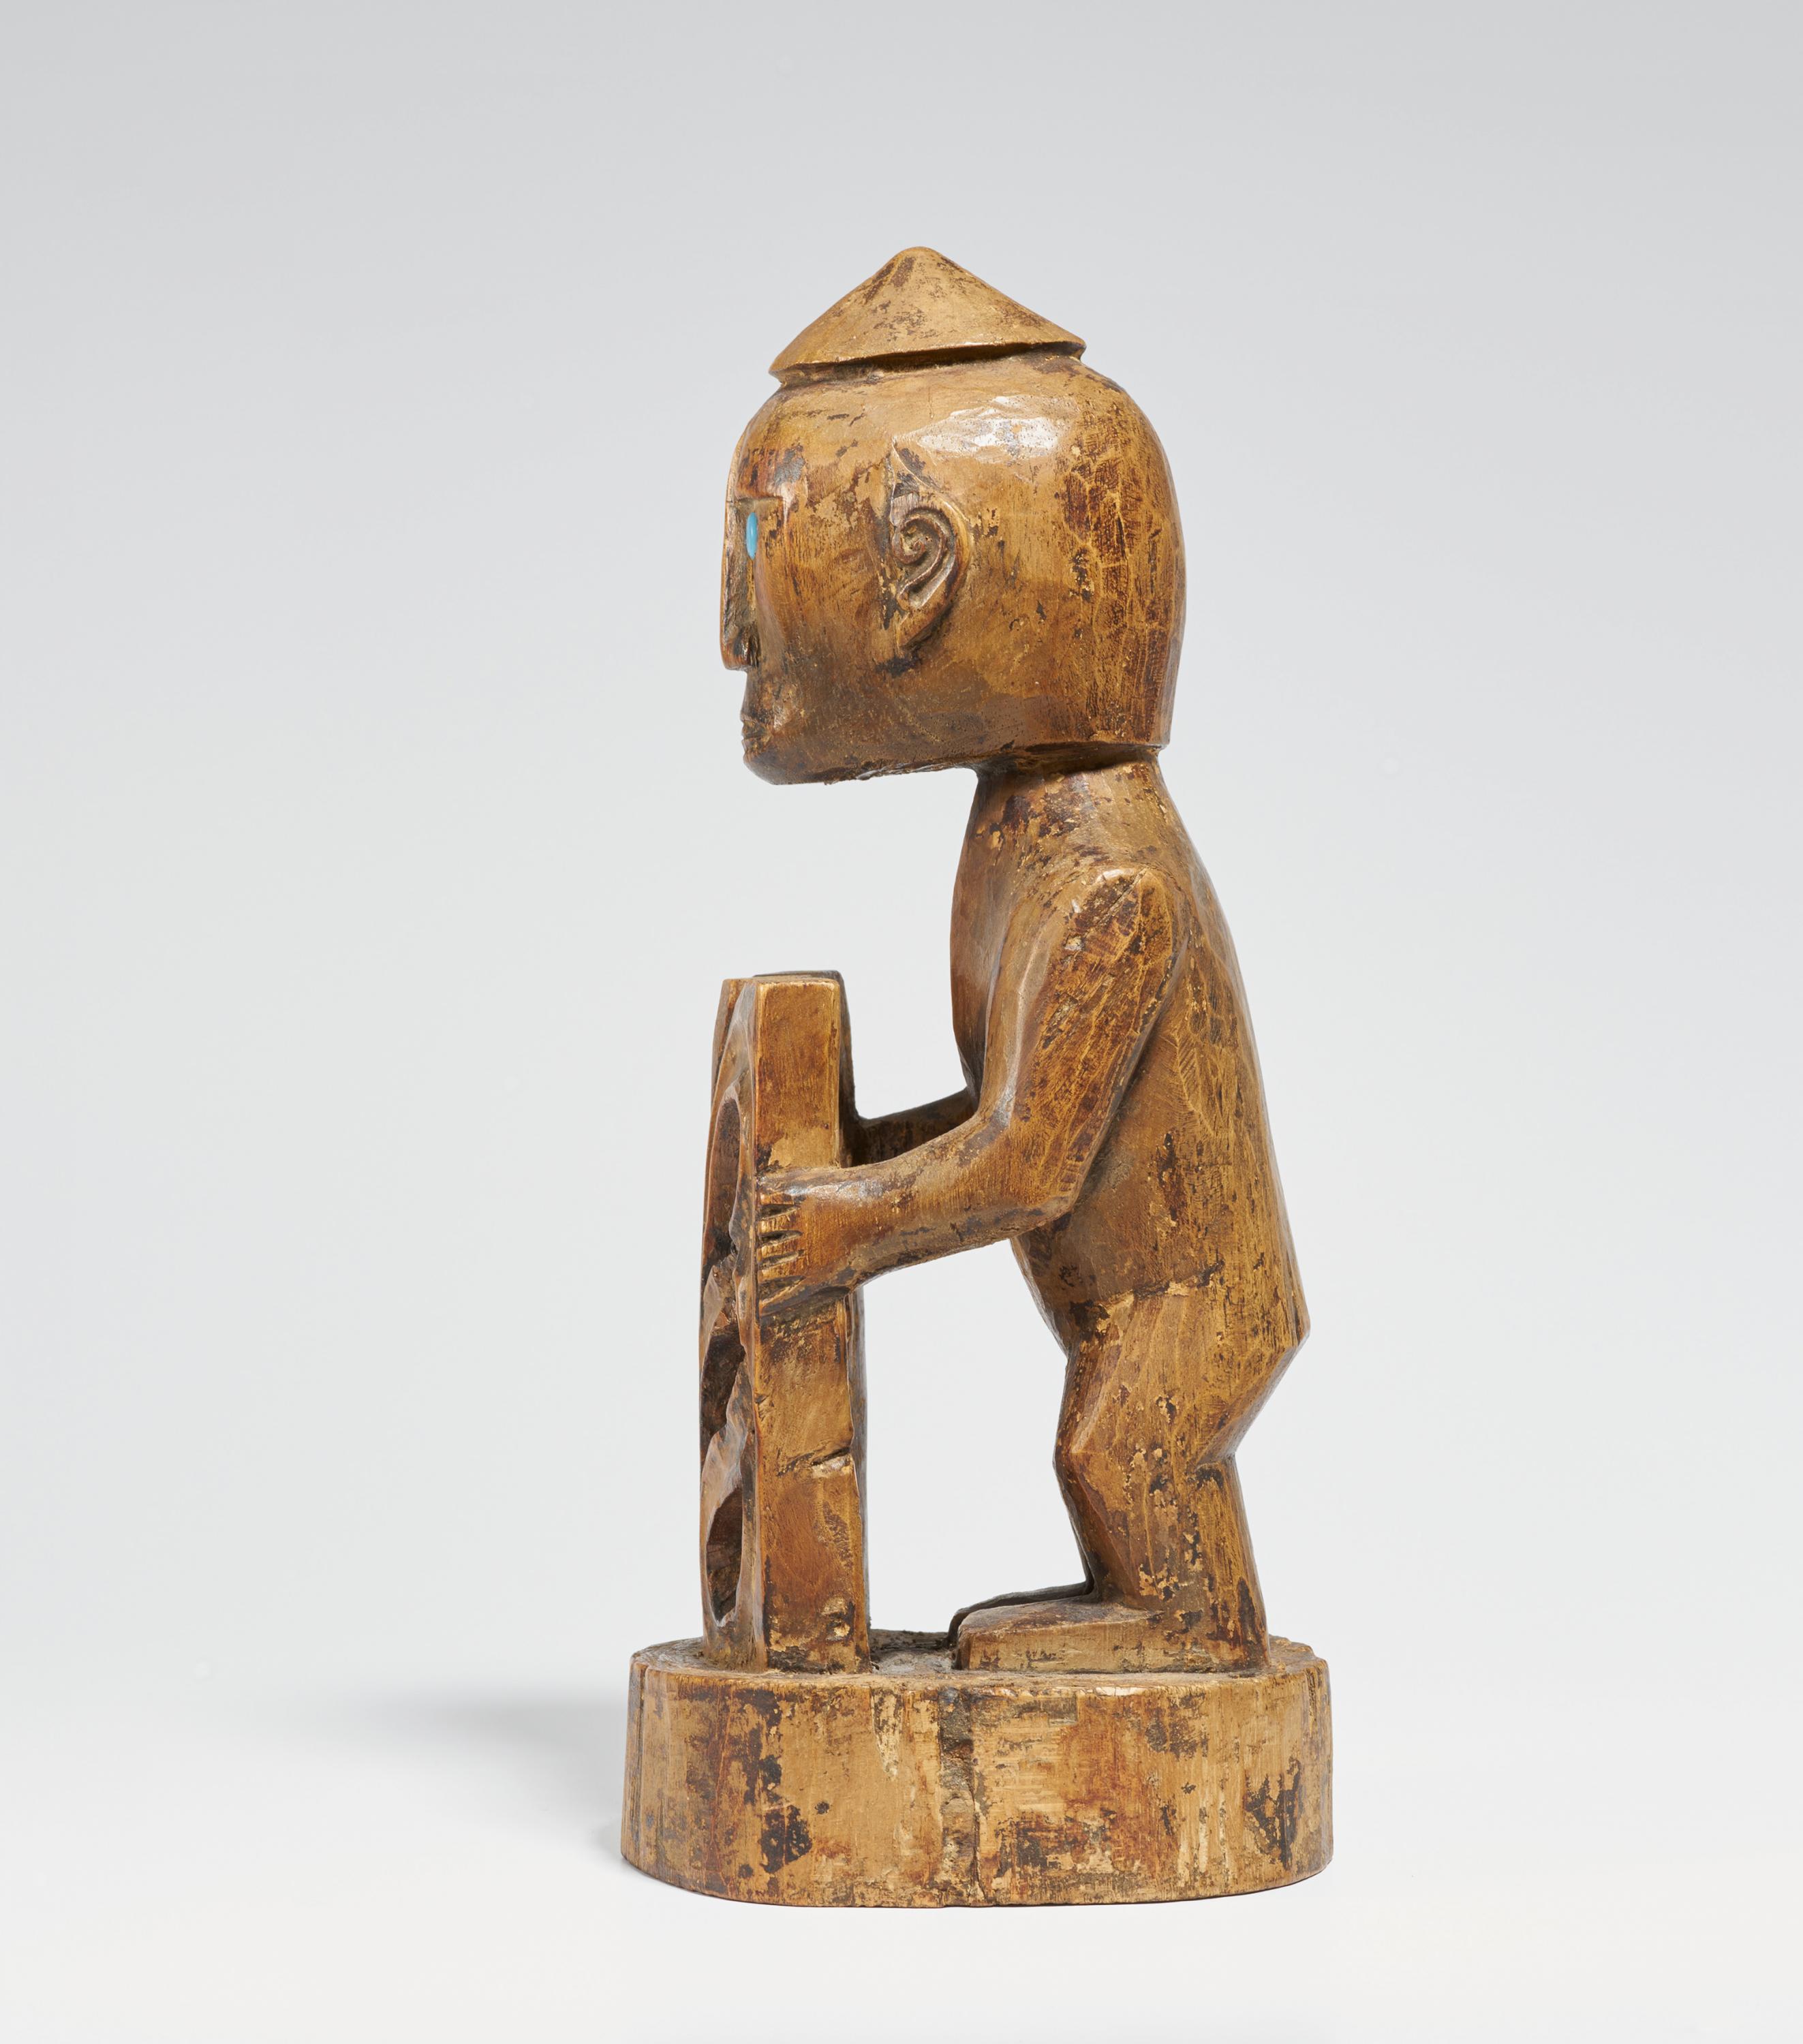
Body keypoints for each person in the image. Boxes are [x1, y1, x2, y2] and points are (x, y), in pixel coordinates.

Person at [722, 249, 1308, 1673]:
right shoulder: (1029, 840)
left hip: (1185, 1309)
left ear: (922, 570)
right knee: (1109, 1439)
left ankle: (1185, 1623)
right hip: (1133, 1289)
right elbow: (1010, 1109)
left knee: (1117, 1447)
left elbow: (1034, 1162)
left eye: (754, 549)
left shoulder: (1107, 882)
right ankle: (1155, 1615)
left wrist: (855, 1223)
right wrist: (861, 1161)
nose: (734, 635)